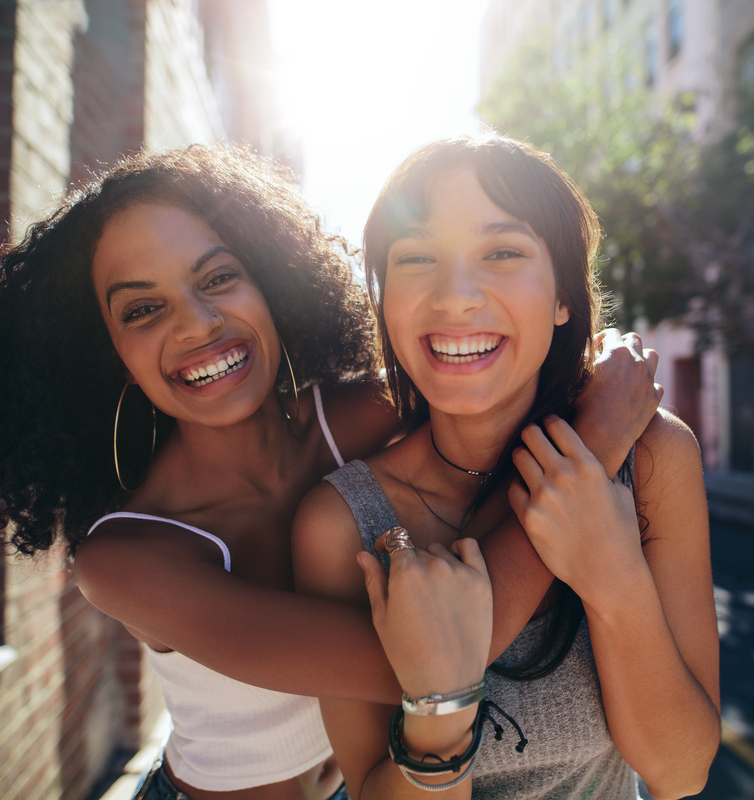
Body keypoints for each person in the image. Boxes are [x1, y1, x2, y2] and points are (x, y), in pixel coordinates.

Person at [0, 145, 661, 800]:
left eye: (220, 277)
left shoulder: (365, 417)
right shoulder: (128, 560)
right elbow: (434, 660)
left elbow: (498, 385)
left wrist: (592, 369)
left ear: (269, 281)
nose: (197, 324)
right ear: (107, 355)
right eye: (142, 311)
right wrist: (591, 444)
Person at [292, 133, 721, 800]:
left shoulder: (654, 456)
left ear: (563, 299)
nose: (456, 296)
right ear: (385, 303)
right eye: (416, 258)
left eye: (502, 251)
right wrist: (439, 707)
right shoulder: (340, 523)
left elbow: (679, 770)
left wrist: (611, 573)